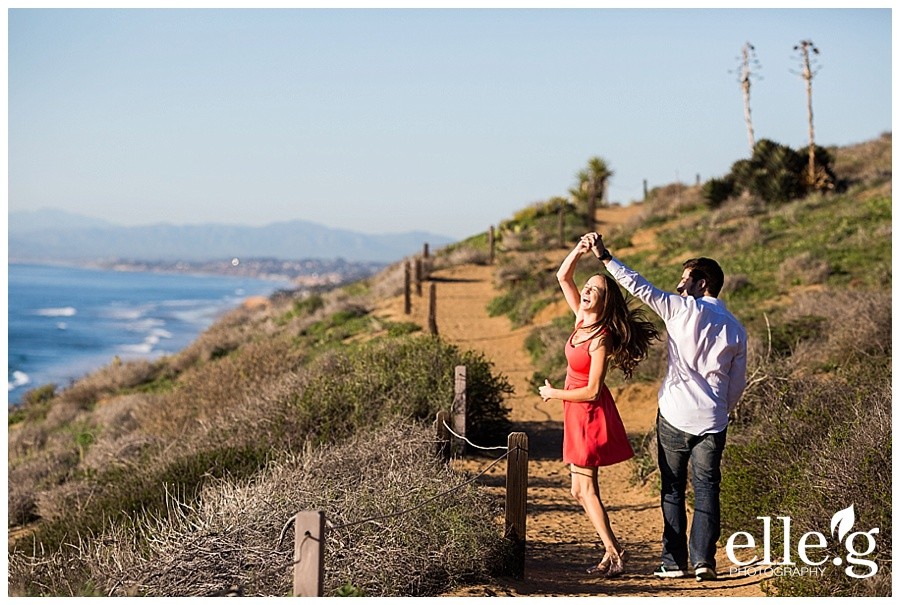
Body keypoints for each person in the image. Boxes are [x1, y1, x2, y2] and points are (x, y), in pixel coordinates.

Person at [585, 232, 747, 582]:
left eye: (685, 278)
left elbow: (638, 286)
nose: (678, 284)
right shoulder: (736, 328)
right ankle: (704, 562)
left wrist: (605, 257)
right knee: (707, 489)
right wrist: (720, 411)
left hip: (674, 417)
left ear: (701, 283)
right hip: (713, 422)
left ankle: (673, 563)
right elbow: (737, 385)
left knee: (672, 488)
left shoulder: (679, 308)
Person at [538, 234, 660, 578]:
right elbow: (563, 277)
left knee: (586, 489)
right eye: (588, 286)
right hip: (574, 411)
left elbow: (593, 391)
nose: (588, 290)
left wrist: (554, 394)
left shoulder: (601, 337)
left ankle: (614, 551)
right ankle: (611, 550)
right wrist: (580, 249)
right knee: (579, 490)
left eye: (596, 289)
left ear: (606, 301)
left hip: (588, 412)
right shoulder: (580, 318)